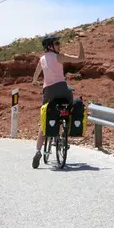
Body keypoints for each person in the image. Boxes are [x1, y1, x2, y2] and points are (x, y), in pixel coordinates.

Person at [31, 34, 85, 169]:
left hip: (48, 92)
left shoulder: (42, 59)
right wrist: (80, 44)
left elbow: (36, 76)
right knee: (69, 108)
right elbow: (81, 59)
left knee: (44, 120)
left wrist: (35, 82)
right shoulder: (59, 57)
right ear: (50, 46)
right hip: (63, 90)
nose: (59, 45)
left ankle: (38, 151)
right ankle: (64, 132)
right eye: (57, 43)